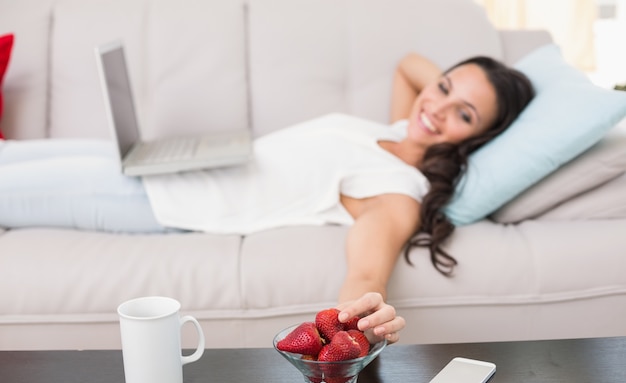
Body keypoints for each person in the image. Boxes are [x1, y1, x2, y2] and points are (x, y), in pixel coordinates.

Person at [0, 53, 534, 344]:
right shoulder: (397, 127)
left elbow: (366, 277)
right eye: (443, 87)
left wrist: (363, 316)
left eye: (465, 114)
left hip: (164, 201)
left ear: (480, 139)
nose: (437, 108)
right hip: (165, 163)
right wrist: (458, 91)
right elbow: (409, 64)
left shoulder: (396, 192)